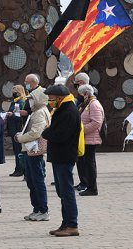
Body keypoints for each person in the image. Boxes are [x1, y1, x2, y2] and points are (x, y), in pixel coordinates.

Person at [42, 84, 81, 237]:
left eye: (51, 98)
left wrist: (46, 132)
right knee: (62, 191)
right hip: (60, 155)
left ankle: (72, 224)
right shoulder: (62, 109)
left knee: (67, 191)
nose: (49, 101)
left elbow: (59, 134)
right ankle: (66, 223)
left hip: (65, 155)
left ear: (59, 97)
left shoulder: (69, 111)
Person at [16, 85, 51, 221]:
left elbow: (36, 132)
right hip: (30, 149)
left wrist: (20, 138)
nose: (29, 101)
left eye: (31, 99)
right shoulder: (36, 111)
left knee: (37, 181)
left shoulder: (39, 112)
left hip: (34, 150)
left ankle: (43, 209)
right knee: (32, 181)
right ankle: (36, 208)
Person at [76, 84, 104, 196]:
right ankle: (89, 186)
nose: (81, 97)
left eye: (81, 94)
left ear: (86, 94)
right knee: (87, 164)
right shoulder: (88, 104)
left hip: (91, 139)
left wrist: (82, 130)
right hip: (87, 138)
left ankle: (92, 188)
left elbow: (96, 123)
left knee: (90, 164)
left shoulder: (94, 105)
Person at [5, 84, 28, 178]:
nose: (13, 93)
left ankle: (21, 169)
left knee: (19, 150)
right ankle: (17, 168)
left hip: (18, 128)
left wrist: (12, 115)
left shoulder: (22, 102)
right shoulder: (13, 102)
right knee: (16, 150)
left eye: (16, 91)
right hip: (12, 128)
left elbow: (20, 115)